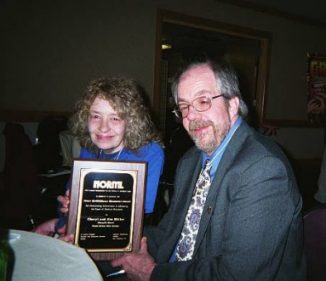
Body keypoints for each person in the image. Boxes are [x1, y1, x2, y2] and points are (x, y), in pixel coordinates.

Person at [111, 58, 306, 281]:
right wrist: (97, 235)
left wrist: (152, 273)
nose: (191, 116)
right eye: (184, 106)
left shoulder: (263, 170)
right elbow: (169, 233)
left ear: (232, 105)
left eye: (203, 101)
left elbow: (237, 276)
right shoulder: (191, 160)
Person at [34, 77, 164, 237]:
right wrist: (62, 219)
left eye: (115, 118)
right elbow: (70, 203)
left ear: (131, 122)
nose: (103, 128)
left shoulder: (149, 153)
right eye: (96, 116)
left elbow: (136, 219)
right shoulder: (89, 148)